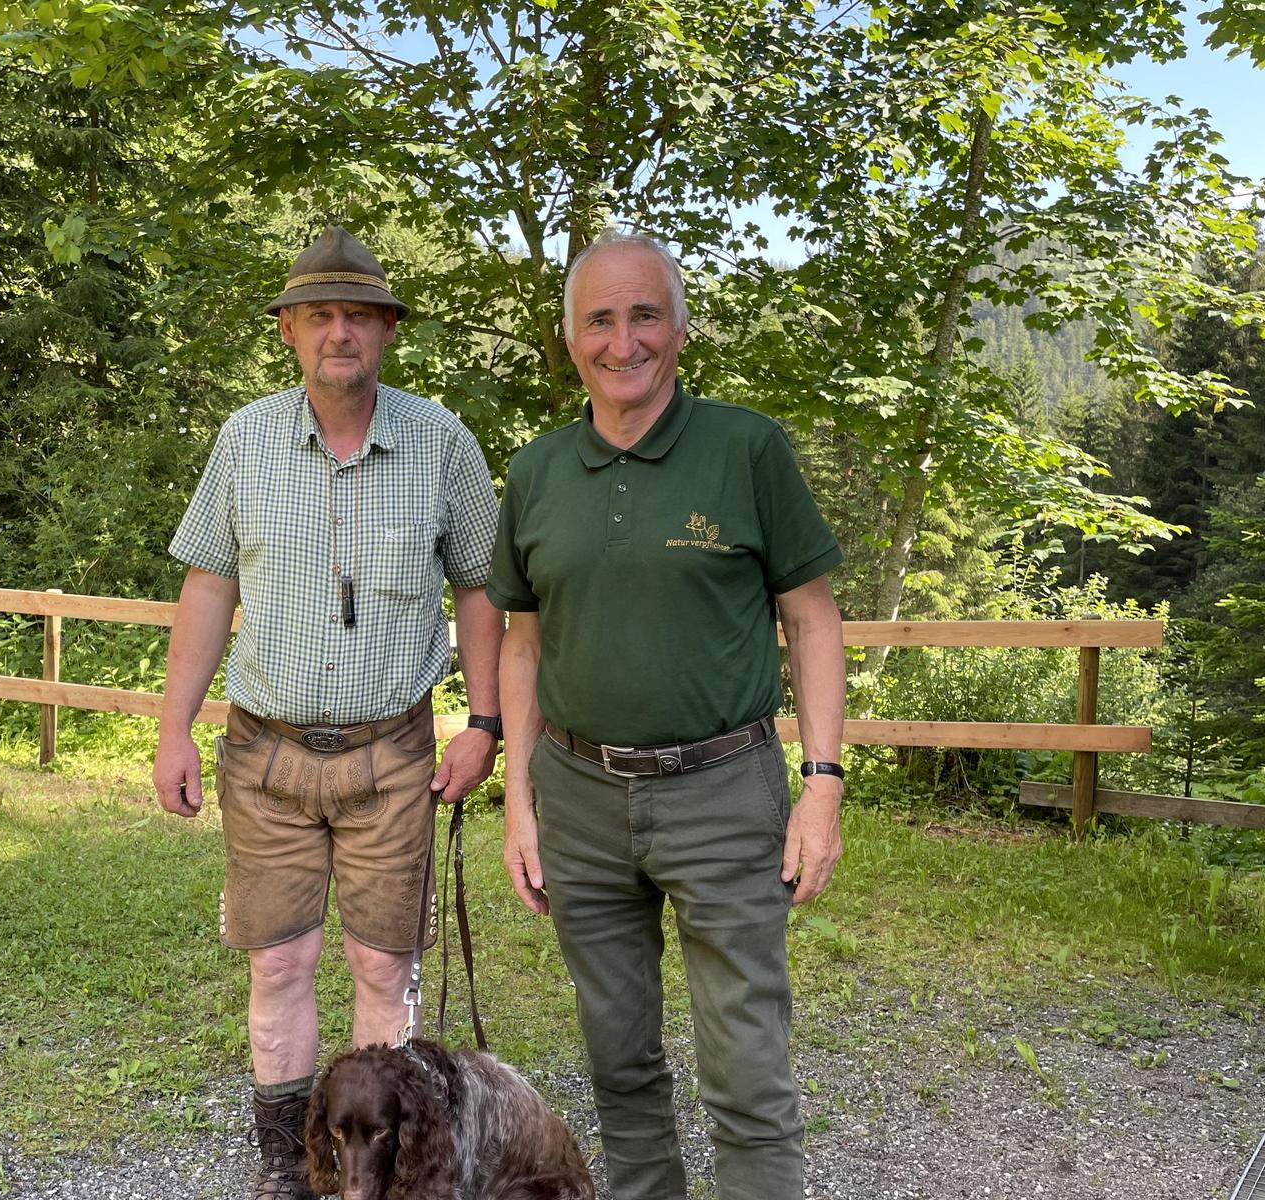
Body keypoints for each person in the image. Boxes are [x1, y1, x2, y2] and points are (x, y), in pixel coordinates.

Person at [488, 230, 846, 1200]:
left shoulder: (746, 449)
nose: (623, 339)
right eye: (599, 319)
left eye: (645, 313)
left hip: (726, 793)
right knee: (619, 1065)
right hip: (577, 797)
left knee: (747, 1073)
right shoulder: (535, 475)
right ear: (571, 341)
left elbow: (812, 622)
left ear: (681, 329)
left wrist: (821, 787)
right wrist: (518, 801)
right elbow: (520, 643)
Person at [152, 224, 504, 1200]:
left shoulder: (441, 442)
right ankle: (286, 1165)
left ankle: (378, 1165)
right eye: (318, 315)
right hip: (264, 755)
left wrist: (485, 722)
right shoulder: (245, 441)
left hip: (394, 752)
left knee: (380, 970)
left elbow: (481, 590)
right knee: (280, 965)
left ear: (388, 329)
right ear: (289, 332)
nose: (337, 332)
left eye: (357, 314)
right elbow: (209, 588)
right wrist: (174, 726)